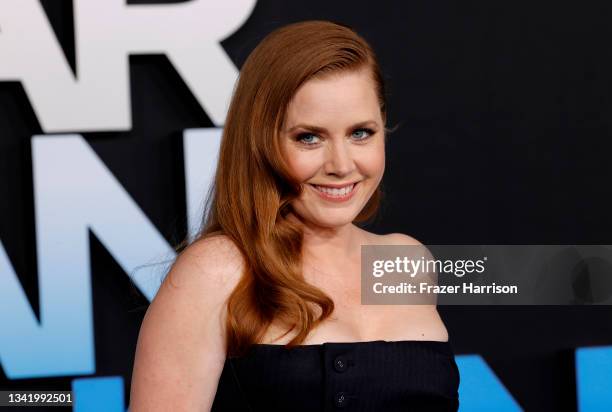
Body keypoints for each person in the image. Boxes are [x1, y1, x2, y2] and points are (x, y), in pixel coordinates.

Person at [129, 20, 459, 411]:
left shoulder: (407, 260)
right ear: (260, 143)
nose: (341, 164)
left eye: (360, 133)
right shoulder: (218, 271)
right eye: (309, 137)